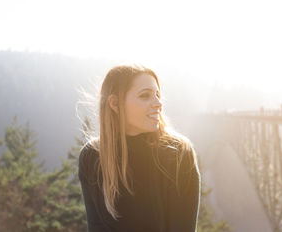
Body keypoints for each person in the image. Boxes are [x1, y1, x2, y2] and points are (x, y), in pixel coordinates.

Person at [78, 64, 201, 232]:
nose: (158, 104)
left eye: (158, 95)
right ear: (115, 103)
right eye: (145, 96)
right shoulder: (92, 156)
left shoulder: (179, 154)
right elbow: (96, 227)